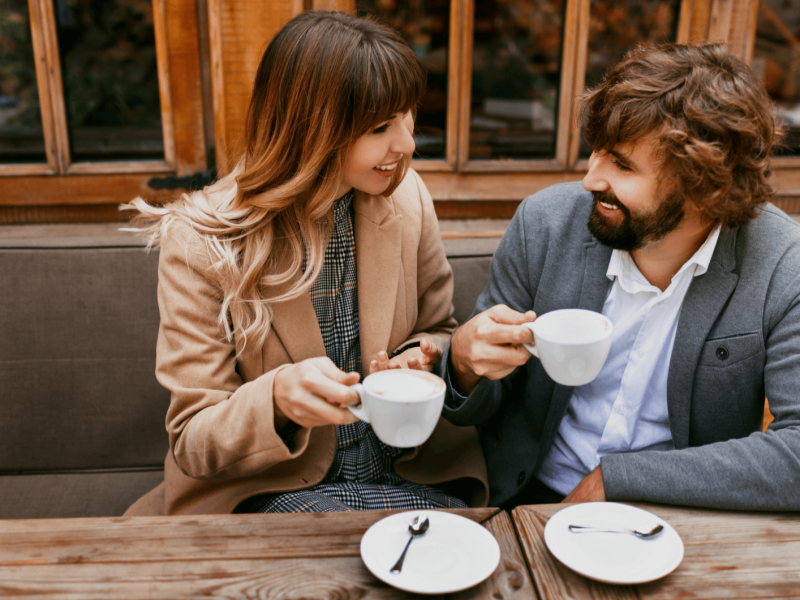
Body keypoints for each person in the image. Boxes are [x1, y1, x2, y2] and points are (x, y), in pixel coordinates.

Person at [121, 11, 487, 516]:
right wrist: (276, 399)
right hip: (271, 493)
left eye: (407, 116)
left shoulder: (408, 198)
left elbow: (438, 329)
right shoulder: (200, 239)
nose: (406, 144)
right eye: (380, 126)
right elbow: (193, 440)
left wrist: (419, 356)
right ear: (313, 131)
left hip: (405, 478)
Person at [442, 42, 800, 511]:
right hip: (525, 499)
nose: (591, 178)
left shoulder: (781, 262)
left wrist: (621, 479)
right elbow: (486, 401)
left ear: (703, 186)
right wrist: (465, 366)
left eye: (622, 164)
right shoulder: (545, 224)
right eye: (597, 153)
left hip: (681, 511)